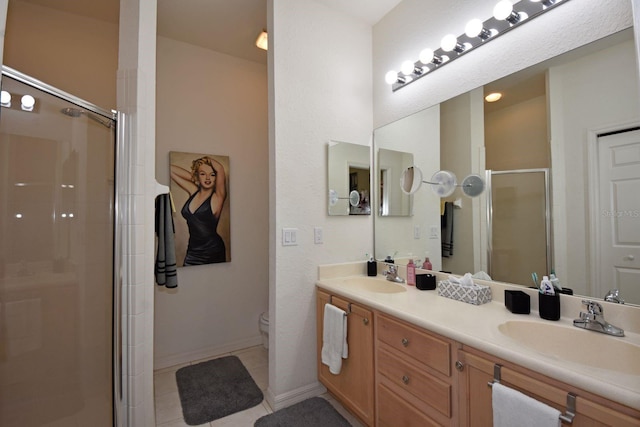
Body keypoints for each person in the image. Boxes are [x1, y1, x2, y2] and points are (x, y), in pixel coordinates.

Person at [171, 156, 227, 265]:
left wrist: (206, 159)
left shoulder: (218, 197)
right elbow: (171, 170)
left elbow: (220, 168)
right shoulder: (193, 191)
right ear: (197, 175)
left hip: (212, 251)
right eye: (203, 174)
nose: (207, 178)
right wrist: (194, 177)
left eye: (212, 174)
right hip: (193, 251)